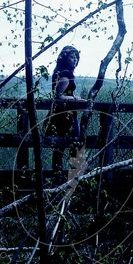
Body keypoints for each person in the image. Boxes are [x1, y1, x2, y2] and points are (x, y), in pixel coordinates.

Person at [43, 45, 80, 174]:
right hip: (65, 115)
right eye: (72, 57)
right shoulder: (66, 74)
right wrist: (74, 100)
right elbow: (58, 96)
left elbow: (64, 93)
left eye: (76, 57)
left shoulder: (59, 71)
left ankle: (57, 175)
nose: (75, 59)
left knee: (60, 147)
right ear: (64, 58)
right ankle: (72, 177)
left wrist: (75, 97)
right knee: (75, 144)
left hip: (60, 114)